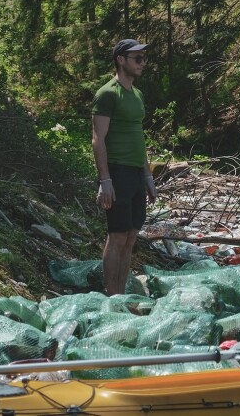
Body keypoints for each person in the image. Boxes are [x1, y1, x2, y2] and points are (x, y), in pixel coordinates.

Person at [91, 39, 158, 295]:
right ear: (121, 59)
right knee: (117, 236)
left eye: (144, 58)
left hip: (135, 173)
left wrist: (148, 176)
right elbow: (98, 138)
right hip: (117, 171)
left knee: (131, 236)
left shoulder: (137, 95)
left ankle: (121, 294)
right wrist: (105, 180)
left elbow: (138, 136)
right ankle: (113, 296)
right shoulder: (108, 93)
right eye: (137, 58)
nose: (142, 63)